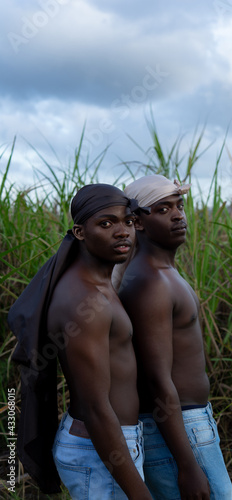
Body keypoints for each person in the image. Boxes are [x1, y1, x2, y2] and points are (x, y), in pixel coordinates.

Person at [8, 184, 153, 500]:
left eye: (128, 222)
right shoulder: (85, 302)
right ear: (80, 231)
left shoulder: (99, 280)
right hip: (100, 451)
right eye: (106, 223)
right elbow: (96, 408)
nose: (122, 232)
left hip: (111, 444)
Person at [116, 175, 232, 500]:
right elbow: (156, 379)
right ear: (137, 221)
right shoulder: (152, 283)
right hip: (178, 427)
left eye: (179, 206)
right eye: (163, 209)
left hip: (189, 423)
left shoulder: (162, 273)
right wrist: (187, 465)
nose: (179, 215)